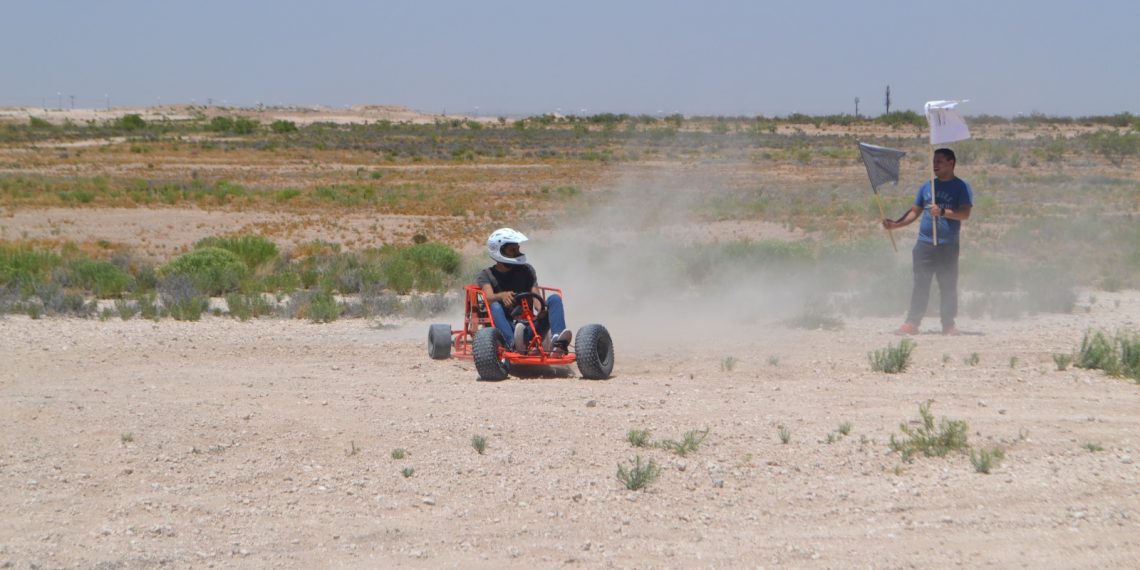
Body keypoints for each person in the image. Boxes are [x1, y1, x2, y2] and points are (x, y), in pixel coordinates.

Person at [882, 148, 974, 336]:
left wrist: (943, 212)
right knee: (920, 285)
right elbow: (915, 211)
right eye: (934, 161)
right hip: (924, 245)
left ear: (951, 163)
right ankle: (912, 323)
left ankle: (948, 325)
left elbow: (965, 213)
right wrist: (895, 225)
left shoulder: (961, 187)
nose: (935, 165)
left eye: (939, 161)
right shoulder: (927, 186)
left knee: (947, 285)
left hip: (948, 245)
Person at [475, 228, 572, 353]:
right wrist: (502, 296)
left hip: (530, 325)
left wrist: (542, 309)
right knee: (495, 306)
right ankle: (513, 344)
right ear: (499, 251)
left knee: (554, 298)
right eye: (513, 250)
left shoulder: (526, 270)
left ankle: (558, 342)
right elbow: (488, 297)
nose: (518, 253)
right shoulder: (486, 274)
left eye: (518, 249)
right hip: (506, 326)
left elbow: (536, 298)